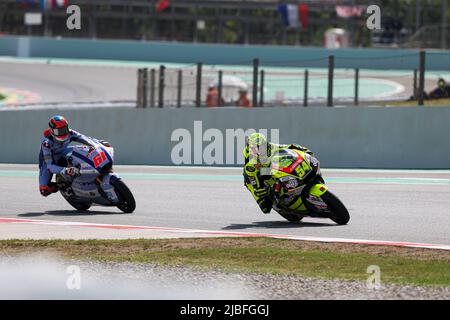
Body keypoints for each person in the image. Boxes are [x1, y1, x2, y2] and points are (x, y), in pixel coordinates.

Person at [242, 133, 314, 214]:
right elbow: (251, 176)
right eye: (255, 147)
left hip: (271, 167)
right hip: (258, 174)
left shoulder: (271, 147)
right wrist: (257, 188)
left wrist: (303, 150)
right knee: (265, 207)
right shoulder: (250, 160)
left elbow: (289, 147)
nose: (259, 149)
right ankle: (268, 198)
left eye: (261, 146)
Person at [38, 115, 106, 197]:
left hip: (64, 152)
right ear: (52, 131)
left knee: (85, 150)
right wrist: (65, 170)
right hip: (48, 161)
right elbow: (49, 166)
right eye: (58, 131)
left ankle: (90, 172)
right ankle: (62, 186)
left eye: (64, 129)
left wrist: (98, 143)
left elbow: (85, 138)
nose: (63, 133)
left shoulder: (70, 133)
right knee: (44, 190)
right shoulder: (46, 143)